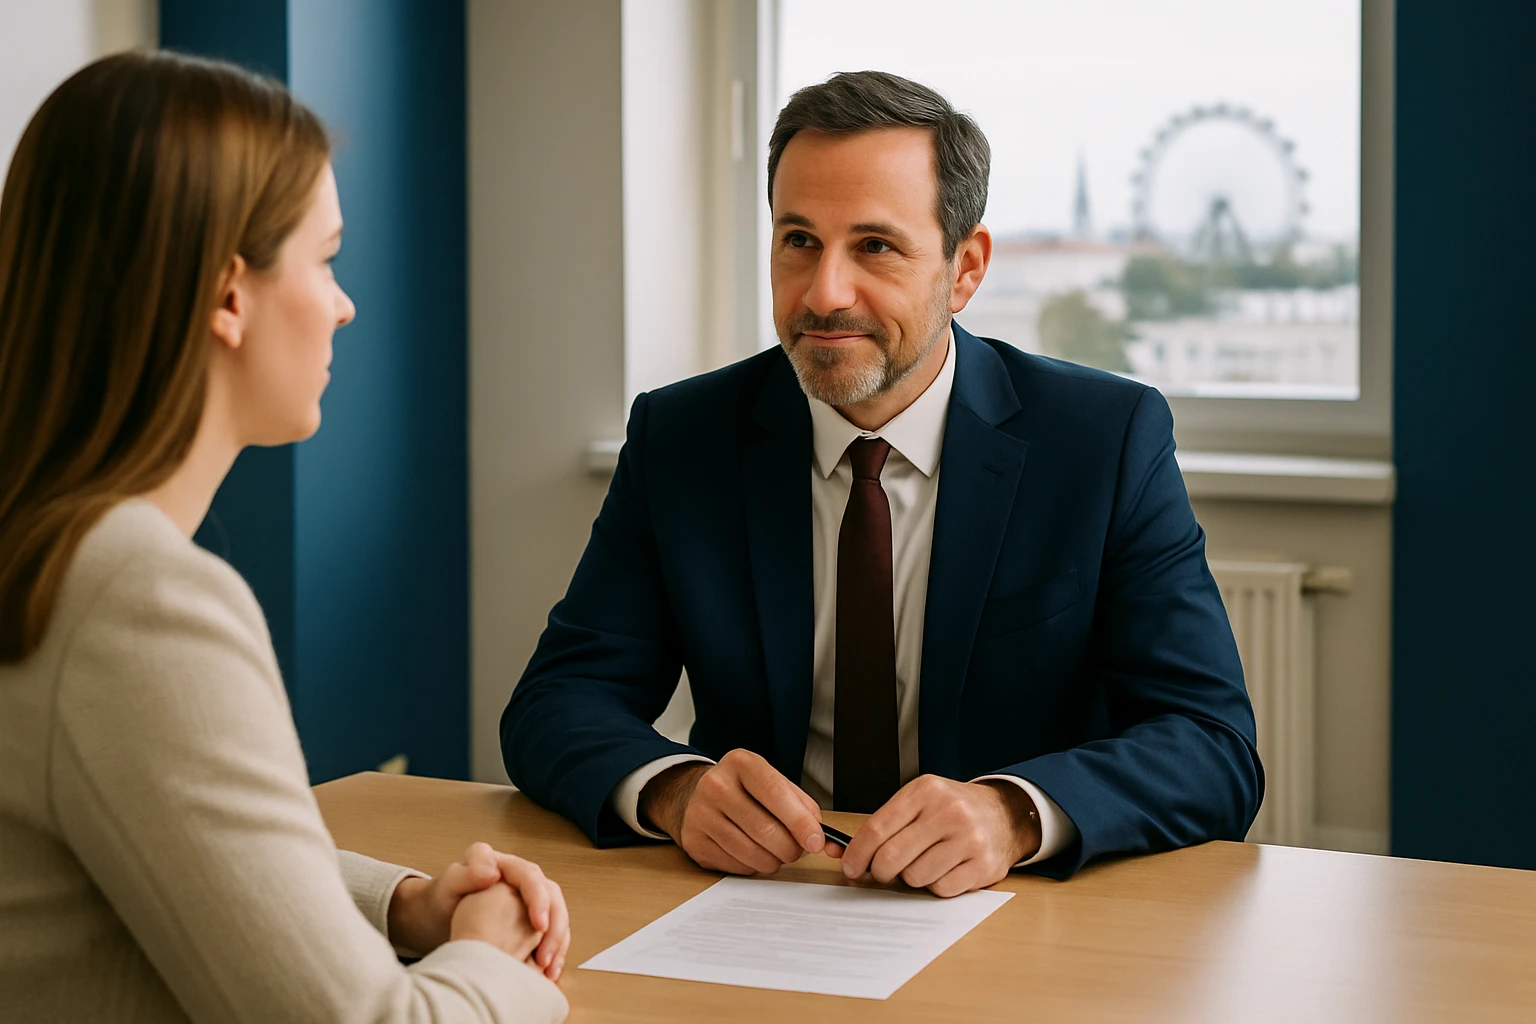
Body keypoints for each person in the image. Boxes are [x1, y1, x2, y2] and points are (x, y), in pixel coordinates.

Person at [502, 71, 1263, 895]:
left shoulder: (1102, 441)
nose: (825, 293)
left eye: (875, 246)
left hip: (1017, 909)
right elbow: (557, 701)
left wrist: (1012, 814)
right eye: (799, 240)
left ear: (965, 269)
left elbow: (1210, 743)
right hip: (760, 900)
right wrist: (675, 790)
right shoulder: (683, 438)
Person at [0, 52, 567, 1022]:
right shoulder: (140, 602)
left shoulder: (46, 551)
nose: (344, 304)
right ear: (228, 295)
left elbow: (166, 841)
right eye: (327, 258)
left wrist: (401, 905)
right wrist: (495, 957)